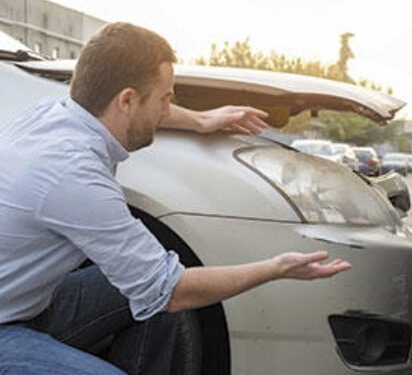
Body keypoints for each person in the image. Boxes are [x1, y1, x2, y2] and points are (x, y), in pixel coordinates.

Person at [0, 22, 352, 375]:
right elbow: (172, 291)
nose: (167, 109)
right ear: (127, 100)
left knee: (156, 292)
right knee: (170, 290)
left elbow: (160, 289)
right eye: (165, 98)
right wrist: (276, 268)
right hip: (7, 329)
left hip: (29, 305)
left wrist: (201, 121)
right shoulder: (72, 172)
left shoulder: (52, 116)